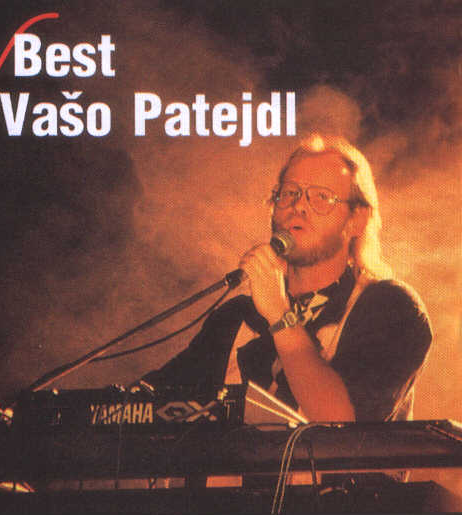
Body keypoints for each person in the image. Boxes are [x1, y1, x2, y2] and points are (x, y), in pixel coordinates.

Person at [143, 135, 432, 422]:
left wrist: (281, 317)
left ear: (358, 219)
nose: (298, 206)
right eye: (289, 193)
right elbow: (148, 406)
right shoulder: (236, 316)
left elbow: (342, 422)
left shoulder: (391, 308)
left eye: (321, 197)